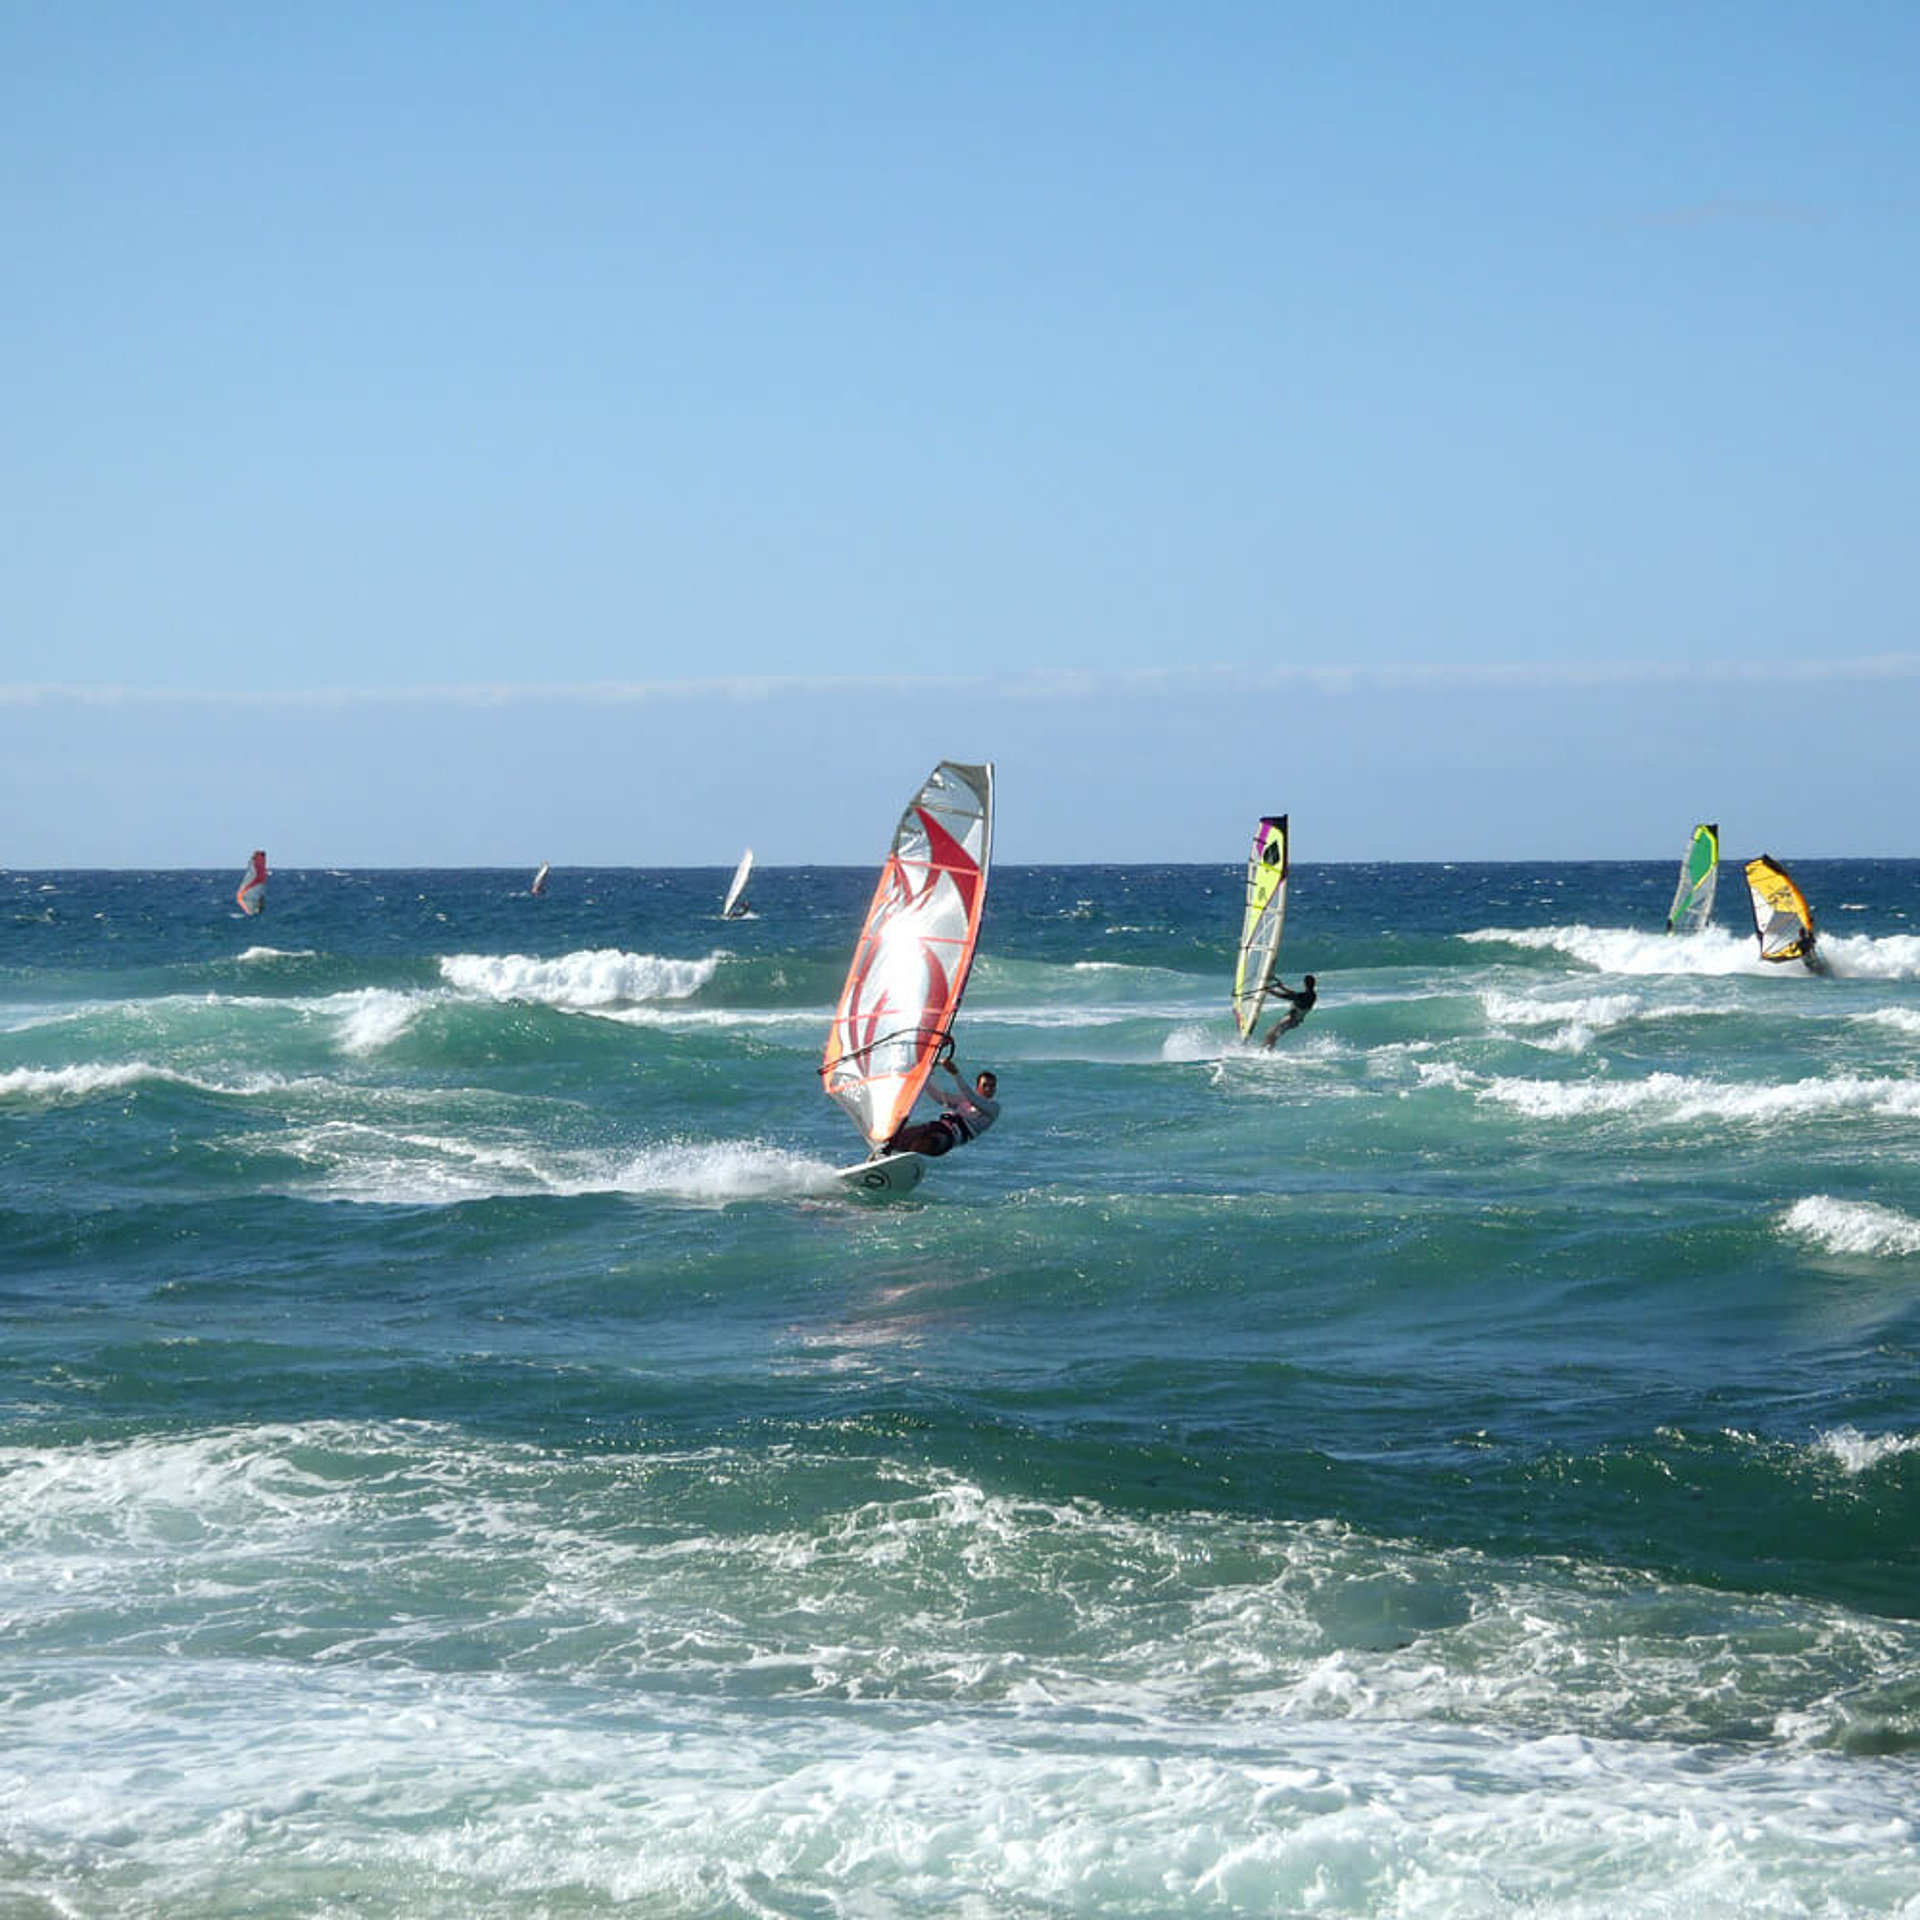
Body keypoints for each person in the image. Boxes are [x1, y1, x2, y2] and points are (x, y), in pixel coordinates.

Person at [886, 1058, 1000, 1157]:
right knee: (897, 1138)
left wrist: (955, 1073)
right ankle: (882, 1156)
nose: (988, 1089)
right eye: (985, 1086)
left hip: (947, 1138)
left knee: (919, 1145)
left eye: (992, 1086)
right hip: (937, 1126)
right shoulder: (964, 1100)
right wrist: (924, 1077)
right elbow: (940, 1098)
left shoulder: (993, 1108)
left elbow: (971, 1097)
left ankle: (906, 1162)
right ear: (978, 1087)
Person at [1261, 974, 1317, 1048]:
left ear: (1305, 984)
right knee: (1274, 1035)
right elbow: (1292, 993)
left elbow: (1283, 996)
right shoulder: (1311, 995)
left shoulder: (1305, 997)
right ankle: (1266, 1050)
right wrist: (1279, 984)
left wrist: (1269, 991)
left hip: (1292, 1019)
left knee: (1272, 1033)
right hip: (1295, 1020)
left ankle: (1265, 1049)